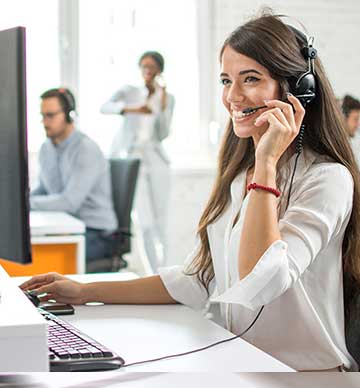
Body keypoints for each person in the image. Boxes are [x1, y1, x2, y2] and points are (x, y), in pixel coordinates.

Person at [22, 13, 360, 371]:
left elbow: (262, 282)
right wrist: (85, 292)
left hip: (307, 376)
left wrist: (266, 164)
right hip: (246, 364)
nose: (233, 95)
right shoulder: (240, 176)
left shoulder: (327, 179)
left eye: (251, 79)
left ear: (298, 90)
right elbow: (200, 280)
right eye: (226, 80)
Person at [100, 51, 175, 271]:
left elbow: (163, 134)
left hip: (157, 161)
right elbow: (104, 107)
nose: (147, 70)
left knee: (162, 220)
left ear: (159, 70)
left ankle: (166, 270)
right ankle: (153, 272)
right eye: (143, 65)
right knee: (145, 221)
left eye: (151, 66)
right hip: (133, 160)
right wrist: (131, 109)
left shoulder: (167, 97)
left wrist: (161, 105)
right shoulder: (129, 92)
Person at [30, 88, 118, 271]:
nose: (45, 122)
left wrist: (25, 204)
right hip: (68, 225)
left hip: (97, 233)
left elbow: (69, 202)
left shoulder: (86, 149)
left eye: (51, 115)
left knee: (39, 258)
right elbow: (44, 190)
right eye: (42, 116)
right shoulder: (47, 148)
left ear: (69, 115)